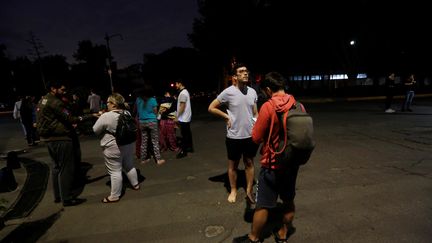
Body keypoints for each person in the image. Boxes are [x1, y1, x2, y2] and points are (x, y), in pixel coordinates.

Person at [234, 72, 301, 243]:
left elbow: (256, 137)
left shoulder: (268, 107)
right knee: (288, 201)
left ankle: (254, 237)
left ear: (269, 90)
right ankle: (283, 234)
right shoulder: (298, 105)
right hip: (292, 163)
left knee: (263, 204)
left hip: (272, 164)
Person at [208, 63, 258, 204]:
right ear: (234, 77)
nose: (245, 73)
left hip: (250, 135)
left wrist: (257, 125)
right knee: (233, 166)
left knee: (249, 163)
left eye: (246, 71)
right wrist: (226, 116)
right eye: (241, 71)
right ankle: (234, 190)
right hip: (234, 136)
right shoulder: (228, 92)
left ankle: (249, 190)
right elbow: (211, 107)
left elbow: (255, 112)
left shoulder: (252, 92)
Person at [36, 80, 89, 207]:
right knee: (66, 168)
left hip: (48, 139)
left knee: (56, 167)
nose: (65, 92)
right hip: (60, 138)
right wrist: (88, 116)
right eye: (62, 89)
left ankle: (58, 195)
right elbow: (71, 118)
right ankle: (67, 198)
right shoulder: (56, 102)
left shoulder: (42, 100)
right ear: (53, 89)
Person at [93, 93, 140, 203]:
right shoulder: (127, 112)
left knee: (115, 171)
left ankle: (114, 196)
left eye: (108, 102)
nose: (106, 104)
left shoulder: (106, 116)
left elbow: (95, 130)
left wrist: (101, 118)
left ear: (114, 104)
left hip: (112, 146)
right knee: (129, 165)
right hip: (128, 144)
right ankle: (135, 184)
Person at [136, 85, 165, 165]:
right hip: (152, 121)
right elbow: (155, 111)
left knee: (144, 141)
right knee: (155, 141)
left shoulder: (138, 100)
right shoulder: (152, 100)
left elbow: (138, 111)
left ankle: (143, 159)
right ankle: (158, 159)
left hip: (142, 122)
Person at [175, 79, 194, 159]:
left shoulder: (183, 93)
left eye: (176, 83)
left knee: (184, 135)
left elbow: (182, 106)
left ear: (180, 83)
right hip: (187, 117)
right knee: (188, 134)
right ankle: (190, 148)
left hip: (183, 118)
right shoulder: (186, 92)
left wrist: (177, 116)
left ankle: (184, 151)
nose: (175, 85)